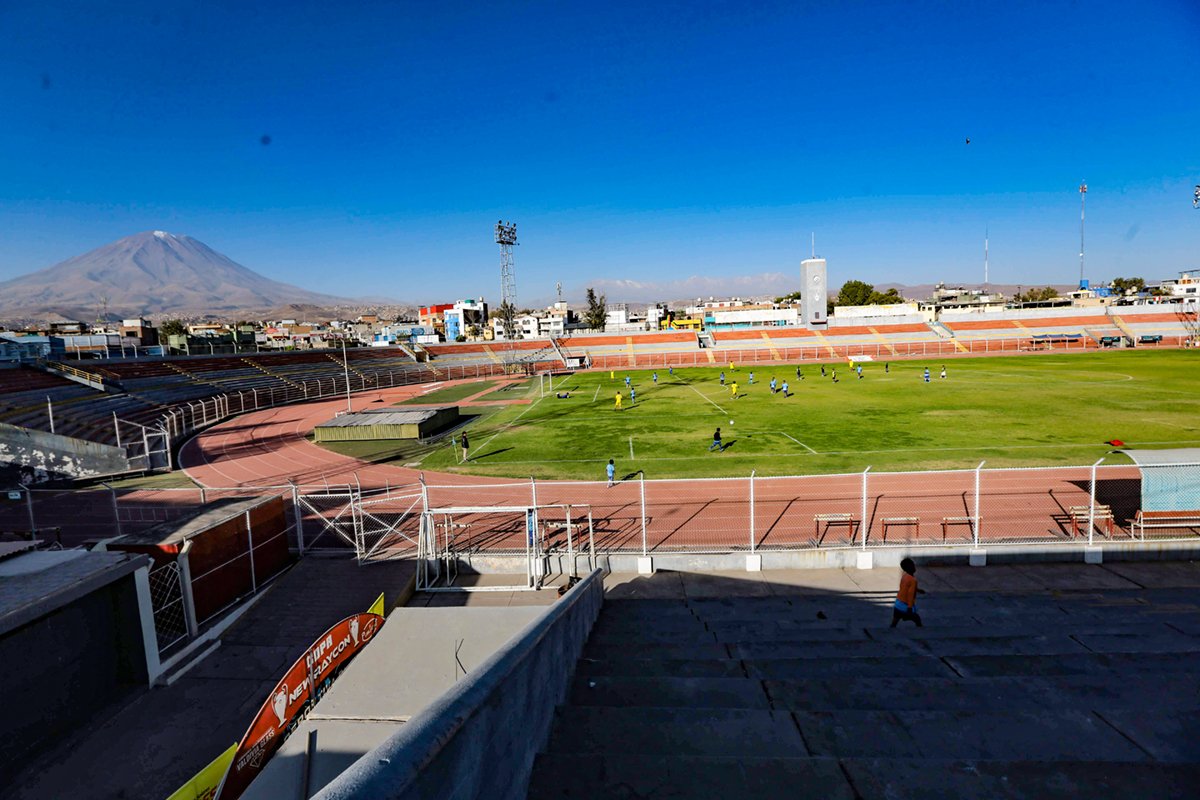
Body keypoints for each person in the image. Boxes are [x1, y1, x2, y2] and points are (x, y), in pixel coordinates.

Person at [891, 558, 925, 627]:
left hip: (898, 603)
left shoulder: (904, 576)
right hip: (905, 605)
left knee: (894, 621)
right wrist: (909, 608)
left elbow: (904, 588)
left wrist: (918, 590)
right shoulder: (913, 580)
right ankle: (921, 631)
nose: (914, 567)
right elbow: (910, 594)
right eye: (912, 566)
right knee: (916, 618)